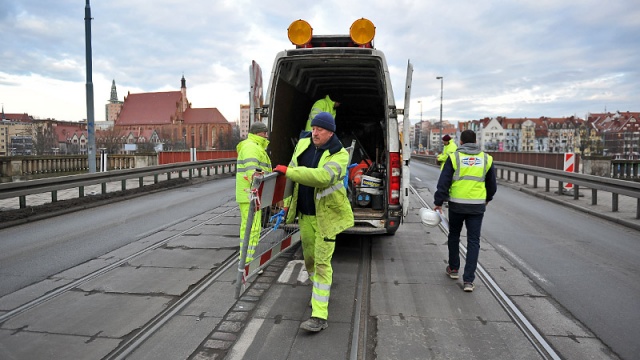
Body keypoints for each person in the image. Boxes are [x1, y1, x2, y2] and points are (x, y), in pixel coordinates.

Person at [274, 111, 354, 332]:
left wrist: (290, 171)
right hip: (305, 215)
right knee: (309, 259)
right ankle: (320, 293)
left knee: (321, 263)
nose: (314, 132)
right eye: (313, 128)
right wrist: (286, 205)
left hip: (326, 218)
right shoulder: (304, 143)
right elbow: (291, 182)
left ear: (330, 132)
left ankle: (319, 315)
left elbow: (322, 177)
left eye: (319, 129)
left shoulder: (339, 155)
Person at [434, 130, 496, 292]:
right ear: (475, 142)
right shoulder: (486, 159)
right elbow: (492, 185)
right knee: (473, 241)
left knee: (454, 235)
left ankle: (454, 269)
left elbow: (444, 182)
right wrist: (487, 198)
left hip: (457, 205)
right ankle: (468, 280)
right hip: (477, 206)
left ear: (461, 142)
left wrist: (438, 202)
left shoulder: (454, 157)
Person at [236, 121, 272, 265]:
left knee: (250, 226)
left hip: (251, 194)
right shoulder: (251, 147)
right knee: (252, 227)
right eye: (265, 133)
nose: (267, 135)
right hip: (250, 194)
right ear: (259, 133)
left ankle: (245, 259)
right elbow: (253, 173)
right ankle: (246, 261)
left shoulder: (254, 146)